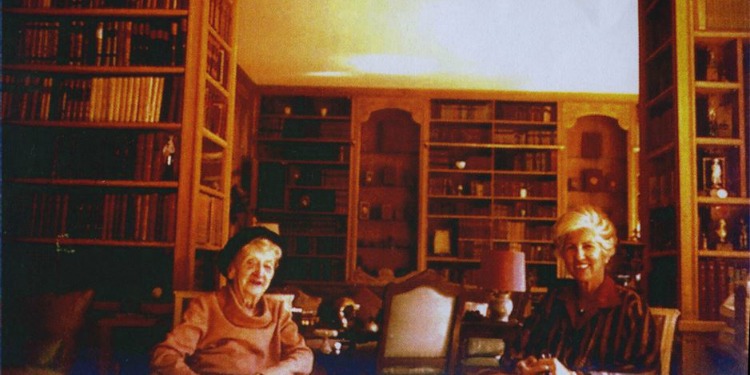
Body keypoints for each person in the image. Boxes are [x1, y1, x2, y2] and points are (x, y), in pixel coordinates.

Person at [505, 206, 659, 375]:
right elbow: (516, 350)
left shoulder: (630, 306)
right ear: (562, 254)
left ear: (605, 253)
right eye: (571, 247)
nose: (579, 256)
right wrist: (522, 365)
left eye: (588, 246)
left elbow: (646, 372)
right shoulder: (554, 300)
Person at [150, 227, 314, 375]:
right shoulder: (206, 307)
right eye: (251, 263)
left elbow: (304, 356)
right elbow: (165, 354)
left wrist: (276, 372)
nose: (260, 273)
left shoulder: (278, 312)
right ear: (231, 270)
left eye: (268, 266)